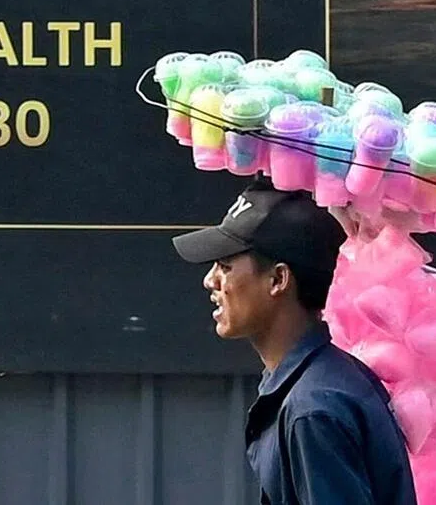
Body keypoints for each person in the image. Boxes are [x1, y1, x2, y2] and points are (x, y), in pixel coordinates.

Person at [172, 178, 418, 505]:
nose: (210, 281)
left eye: (226, 266)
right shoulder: (324, 382)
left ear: (278, 280)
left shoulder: (313, 409)